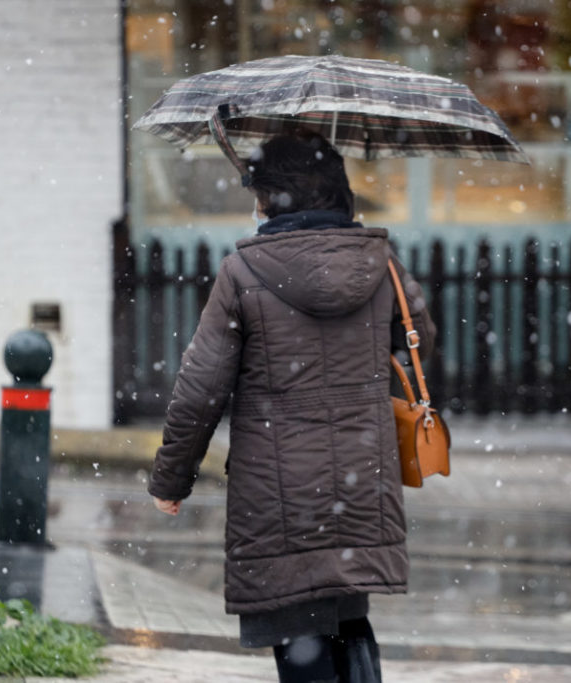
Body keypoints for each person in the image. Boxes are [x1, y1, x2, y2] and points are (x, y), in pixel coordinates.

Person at [148, 131, 436, 683]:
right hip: (361, 477)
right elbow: (418, 348)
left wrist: (172, 479)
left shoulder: (243, 272)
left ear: (270, 198)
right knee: (347, 614)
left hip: (276, 490)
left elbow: (201, 387)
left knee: (299, 626)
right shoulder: (382, 264)